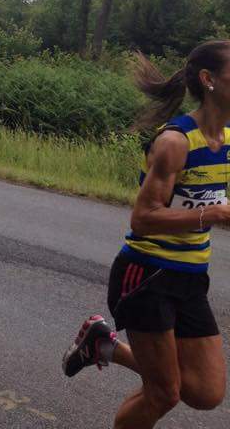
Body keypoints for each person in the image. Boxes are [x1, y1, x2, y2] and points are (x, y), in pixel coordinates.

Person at [61, 40, 230, 428]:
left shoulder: (227, 138)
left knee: (206, 391)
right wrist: (214, 213)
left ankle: (103, 344)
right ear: (209, 80)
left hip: (191, 276)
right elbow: (143, 217)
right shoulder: (175, 142)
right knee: (164, 392)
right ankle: (108, 348)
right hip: (147, 274)